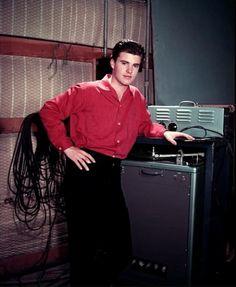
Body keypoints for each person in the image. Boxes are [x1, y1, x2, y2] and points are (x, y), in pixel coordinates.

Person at [39, 39, 194, 286]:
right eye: (124, 63)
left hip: (111, 174)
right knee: (84, 249)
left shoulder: (136, 97)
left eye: (135, 65)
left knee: (121, 251)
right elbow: (49, 111)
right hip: (84, 172)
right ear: (112, 63)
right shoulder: (86, 91)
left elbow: (144, 125)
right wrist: (66, 147)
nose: (129, 70)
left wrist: (163, 132)